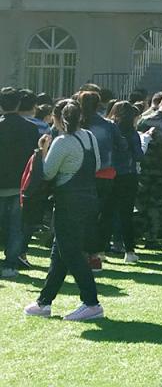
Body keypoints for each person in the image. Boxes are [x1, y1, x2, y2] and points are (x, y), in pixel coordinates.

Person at [25, 100, 103, 322]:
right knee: (59, 253)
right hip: (89, 199)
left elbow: (48, 173)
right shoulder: (89, 136)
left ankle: (91, 303)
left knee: (70, 253)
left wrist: (42, 151)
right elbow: (97, 165)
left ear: (58, 118)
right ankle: (44, 302)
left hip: (68, 202)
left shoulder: (62, 141)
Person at [78, 90, 121, 272]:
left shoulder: (77, 123)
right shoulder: (108, 125)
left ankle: (81, 251)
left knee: (81, 215)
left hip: (80, 175)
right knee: (101, 215)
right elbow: (121, 145)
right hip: (105, 174)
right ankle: (96, 253)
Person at [0, 87, 39, 278]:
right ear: (18, 104)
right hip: (20, 183)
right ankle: (10, 263)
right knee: (16, 226)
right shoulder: (31, 128)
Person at [136, 94, 162, 249]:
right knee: (157, 204)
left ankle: (136, 235)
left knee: (140, 202)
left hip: (144, 168)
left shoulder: (143, 121)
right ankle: (152, 237)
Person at [107, 101, 143, 264]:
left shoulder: (110, 130)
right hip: (128, 175)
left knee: (106, 211)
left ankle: (100, 248)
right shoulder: (132, 133)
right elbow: (139, 155)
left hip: (110, 173)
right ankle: (129, 250)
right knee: (126, 214)